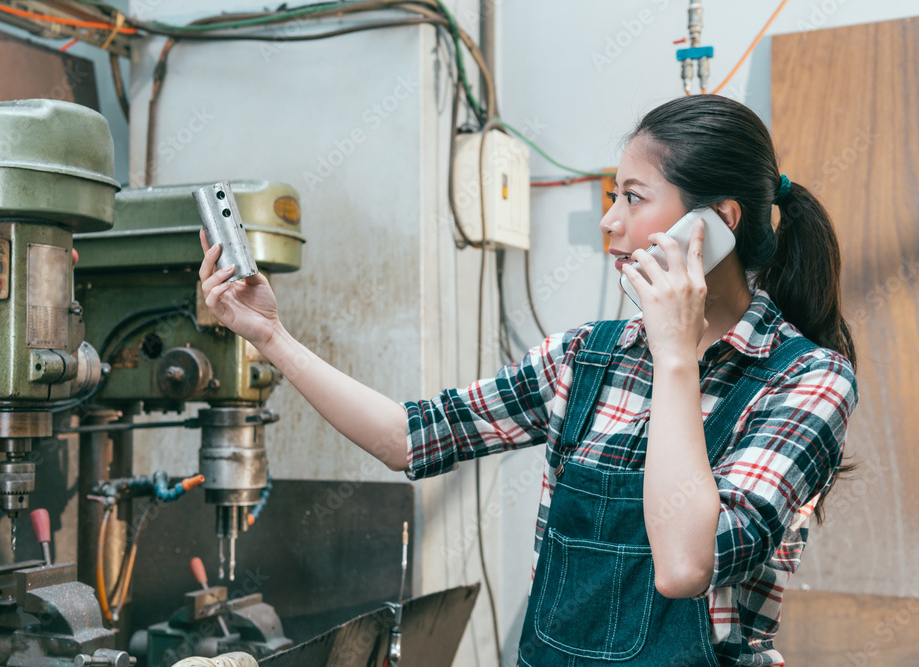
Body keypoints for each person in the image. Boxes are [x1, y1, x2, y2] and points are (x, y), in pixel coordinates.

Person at [198, 94, 858, 667]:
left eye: (633, 197)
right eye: (612, 197)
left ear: (718, 223)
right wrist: (270, 337)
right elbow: (409, 436)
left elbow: (686, 563)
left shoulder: (807, 380)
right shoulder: (585, 359)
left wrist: (676, 355)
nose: (610, 221)